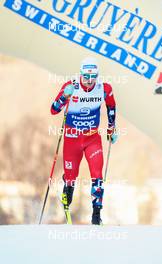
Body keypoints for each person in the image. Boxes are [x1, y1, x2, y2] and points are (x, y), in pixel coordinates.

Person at [51, 57, 118, 225]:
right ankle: (68, 192)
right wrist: (65, 96)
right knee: (71, 176)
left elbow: (111, 106)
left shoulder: (104, 88)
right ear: (80, 75)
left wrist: (111, 127)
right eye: (86, 77)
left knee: (97, 174)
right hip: (72, 139)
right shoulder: (71, 86)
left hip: (92, 138)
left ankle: (96, 214)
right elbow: (54, 110)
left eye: (93, 77)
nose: (89, 81)